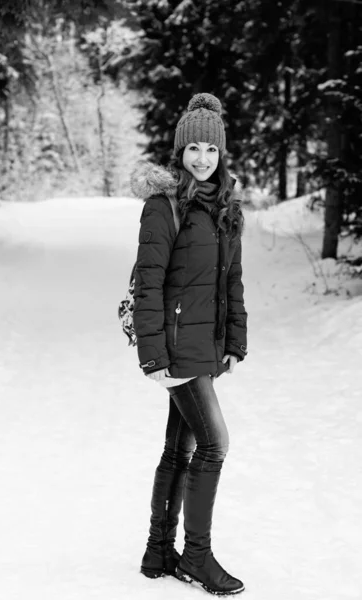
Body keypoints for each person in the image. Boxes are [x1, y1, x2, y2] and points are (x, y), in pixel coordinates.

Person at [131, 93, 248, 596]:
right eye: (193, 147)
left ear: (222, 155)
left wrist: (235, 339)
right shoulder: (165, 206)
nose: (203, 158)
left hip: (205, 344)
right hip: (178, 350)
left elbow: (231, 281)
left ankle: (159, 550)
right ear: (179, 151)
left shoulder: (225, 208)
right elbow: (149, 283)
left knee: (178, 449)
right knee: (215, 444)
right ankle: (197, 556)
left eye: (212, 150)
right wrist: (153, 355)